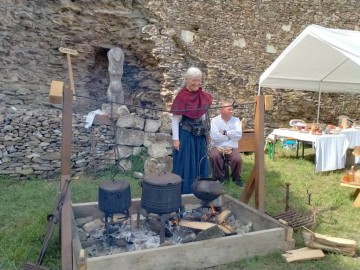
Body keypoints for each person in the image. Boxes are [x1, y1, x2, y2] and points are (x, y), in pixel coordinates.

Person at [170, 67, 212, 194]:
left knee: (200, 161)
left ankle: (200, 190)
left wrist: (207, 132)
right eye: (194, 80)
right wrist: (176, 139)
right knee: (186, 163)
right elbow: (175, 119)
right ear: (187, 80)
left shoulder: (202, 95)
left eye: (199, 80)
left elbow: (203, 114)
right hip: (186, 134)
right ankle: (184, 192)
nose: (197, 83)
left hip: (199, 135)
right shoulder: (182, 96)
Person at [210, 100, 243, 186]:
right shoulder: (214, 121)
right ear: (222, 110)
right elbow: (214, 137)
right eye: (229, 109)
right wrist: (230, 136)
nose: (231, 111)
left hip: (231, 147)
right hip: (218, 146)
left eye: (232, 109)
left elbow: (238, 136)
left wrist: (225, 133)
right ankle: (219, 177)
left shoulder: (236, 121)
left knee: (237, 159)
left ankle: (236, 178)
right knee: (214, 156)